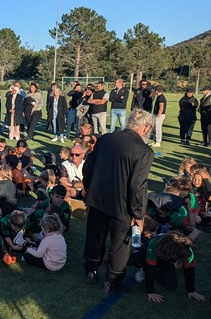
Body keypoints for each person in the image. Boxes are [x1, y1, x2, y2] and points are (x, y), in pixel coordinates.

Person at [82, 109, 155, 293]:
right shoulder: (144, 150)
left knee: (95, 236)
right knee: (120, 245)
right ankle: (112, 281)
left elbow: (88, 167)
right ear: (146, 127)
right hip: (122, 207)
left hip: (98, 198)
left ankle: (91, 270)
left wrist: (89, 190)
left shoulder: (106, 138)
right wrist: (138, 213)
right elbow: (138, 185)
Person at [143, 231, 206, 303]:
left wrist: (191, 290)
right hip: (156, 252)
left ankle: (158, 269)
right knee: (142, 261)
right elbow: (150, 268)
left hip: (167, 259)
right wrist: (150, 291)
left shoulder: (187, 251)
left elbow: (190, 269)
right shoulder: (154, 243)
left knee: (171, 286)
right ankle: (143, 266)